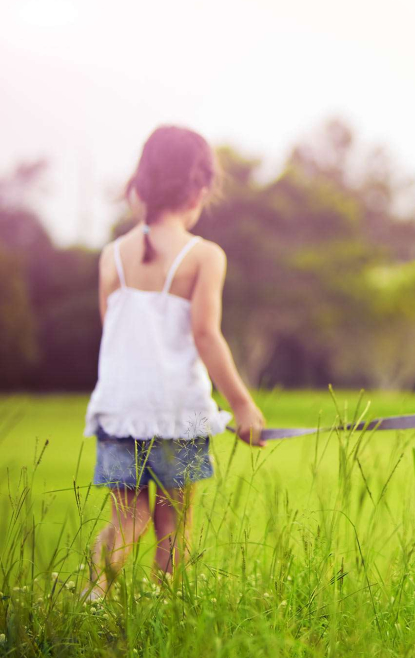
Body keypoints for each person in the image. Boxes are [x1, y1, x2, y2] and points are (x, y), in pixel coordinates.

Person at [84, 125, 266, 597]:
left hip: (120, 410)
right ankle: (168, 611)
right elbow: (206, 335)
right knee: (174, 524)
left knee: (128, 519)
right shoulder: (203, 255)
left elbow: (113, 333)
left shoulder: (112, 257)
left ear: (139, 186)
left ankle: (93, 596)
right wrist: (242, 406)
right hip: (177, 415)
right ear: (200, 190)